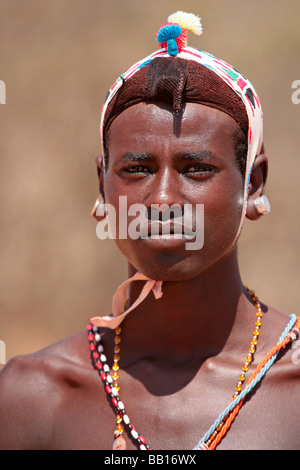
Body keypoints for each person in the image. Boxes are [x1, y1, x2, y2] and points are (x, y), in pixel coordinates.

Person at [0, 12, 299, 451]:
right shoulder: (34, 399)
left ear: (253, 185)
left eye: (196, 168)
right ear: (102, 188)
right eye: (136, 169)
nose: (161, 200)